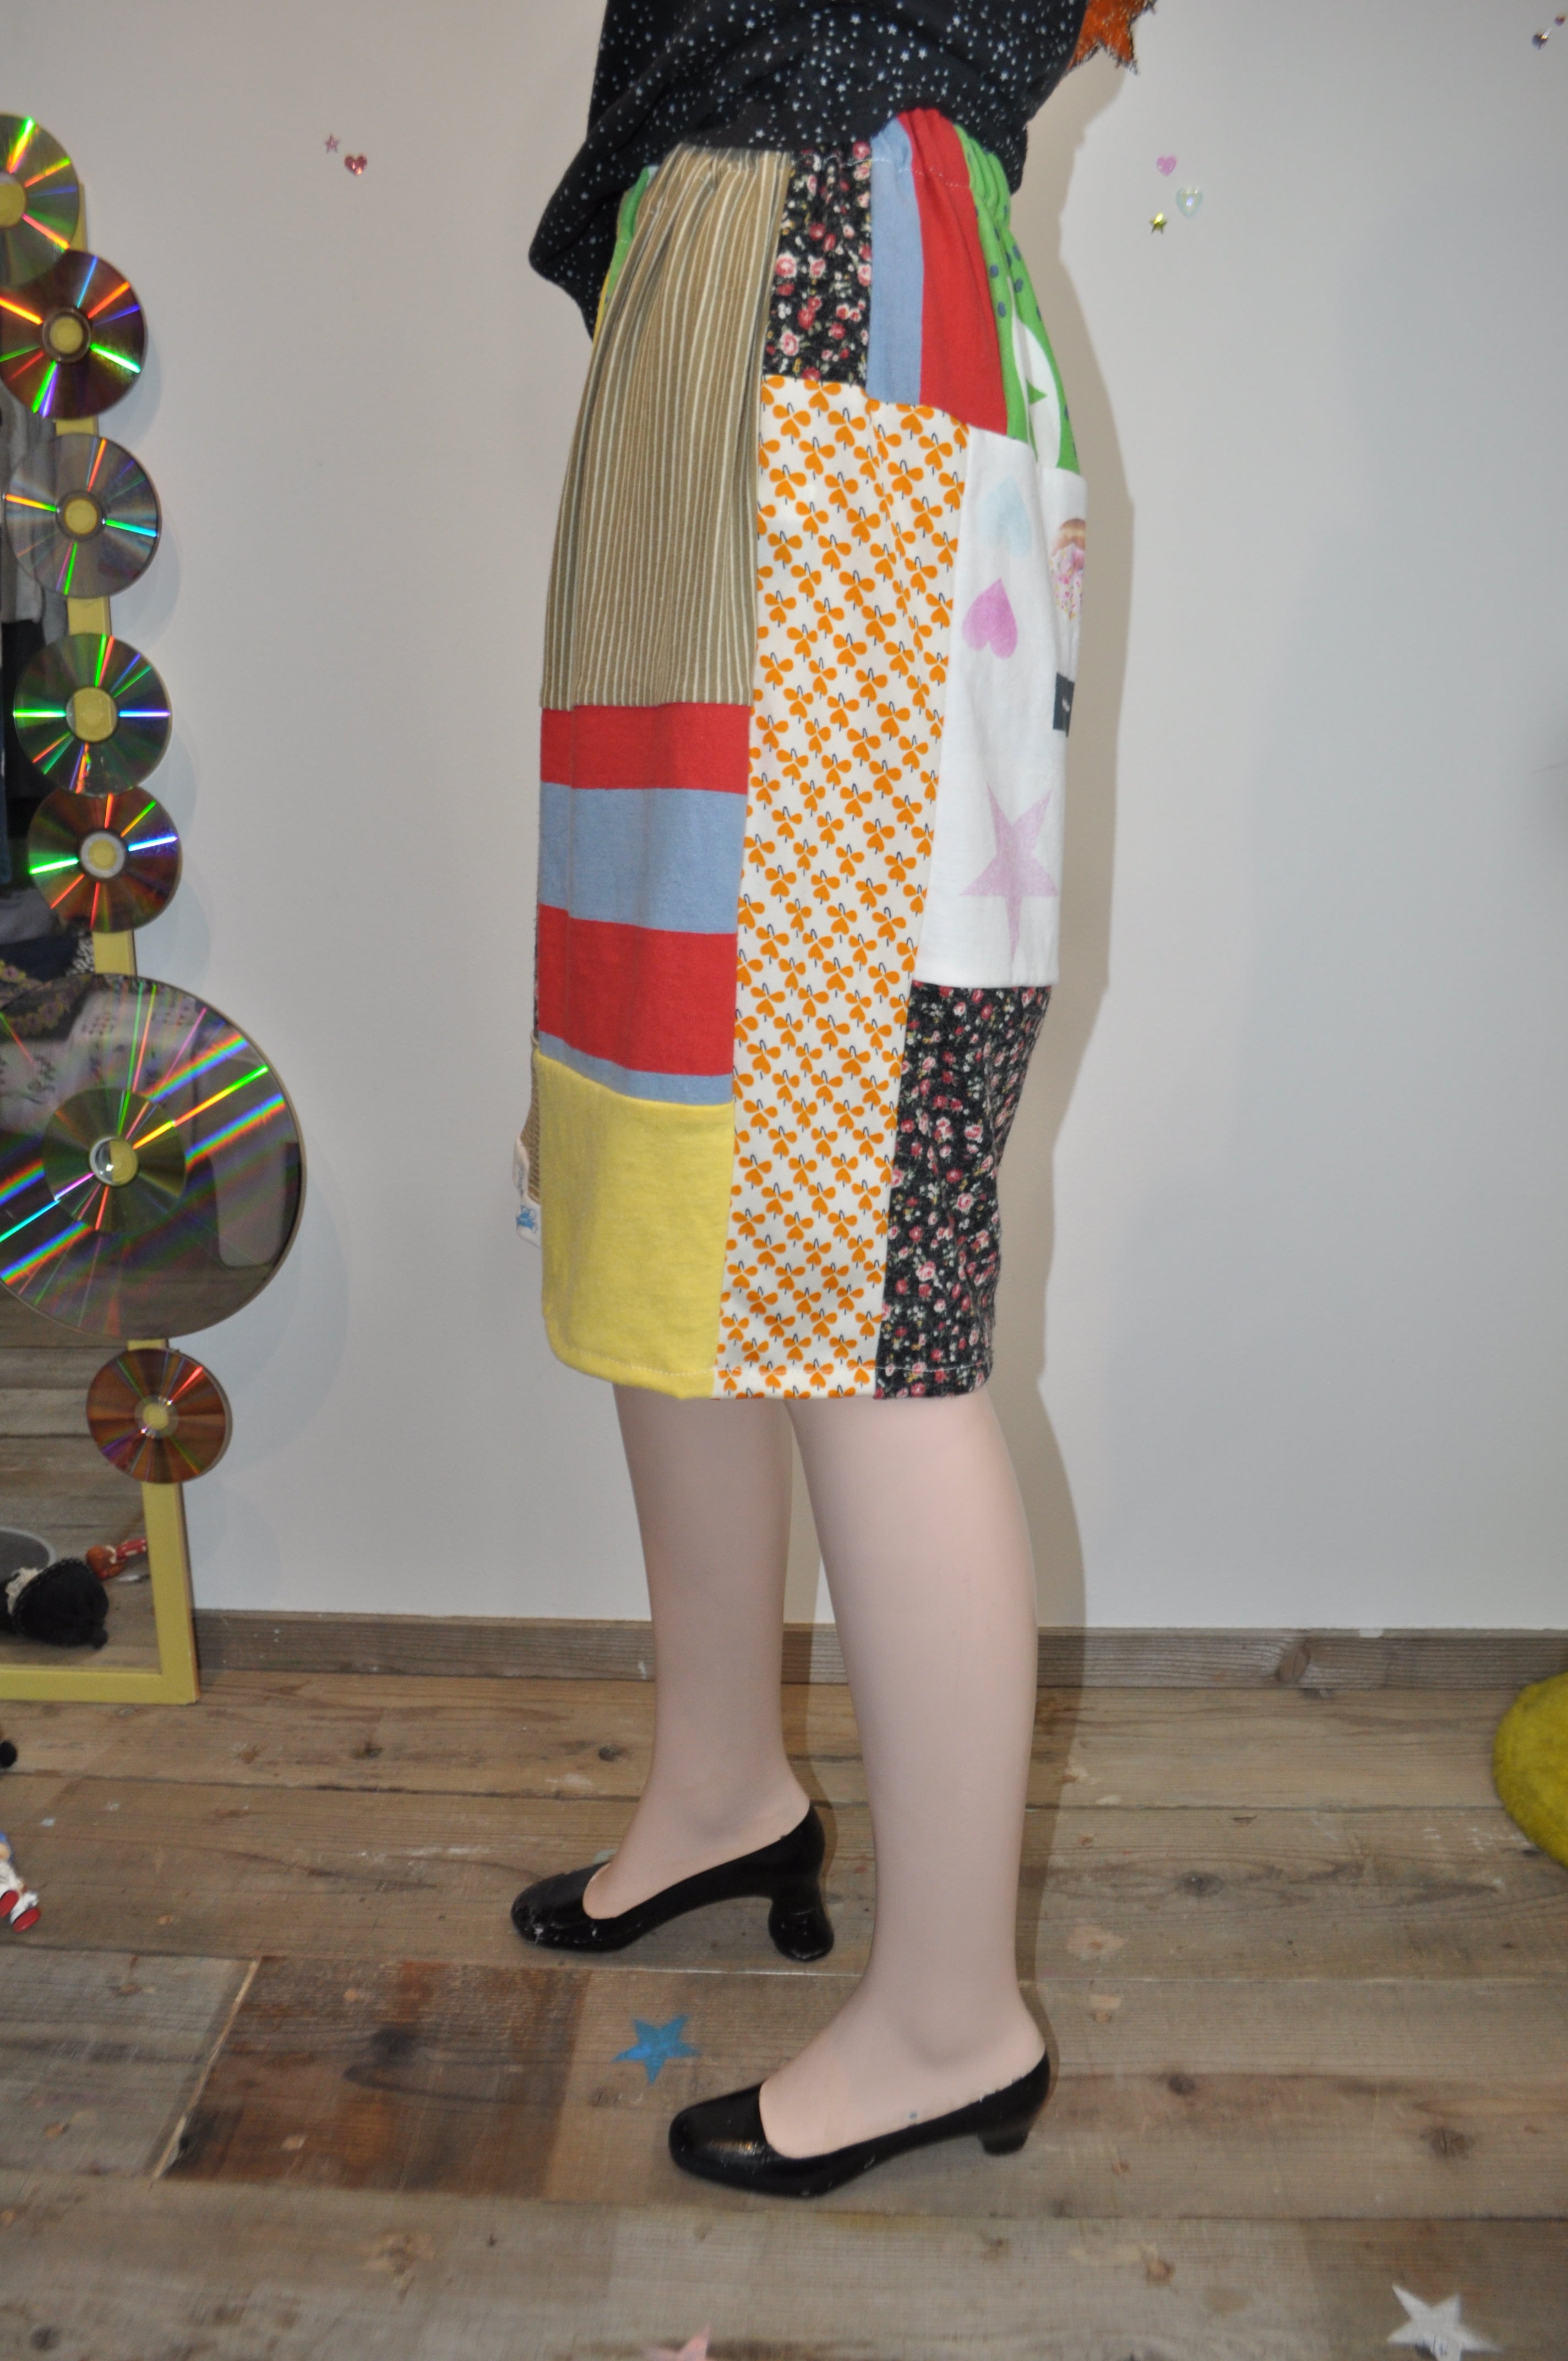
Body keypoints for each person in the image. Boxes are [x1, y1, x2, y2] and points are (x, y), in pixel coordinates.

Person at [512, 0, 1150, 2200]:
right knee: (655, 1145)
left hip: (837, 281)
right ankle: (722, 1786)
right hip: (707, 308)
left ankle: (955, 2011)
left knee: (847, 1235)